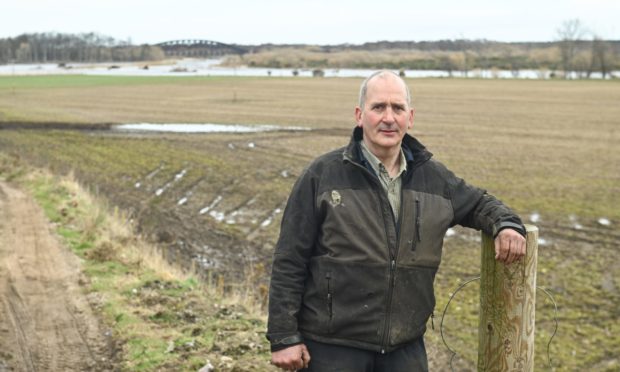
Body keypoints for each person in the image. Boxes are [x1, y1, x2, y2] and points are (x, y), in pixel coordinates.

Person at [267, 70, 526, 371]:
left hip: (404, 349)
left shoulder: (434, 178)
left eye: (397, 108)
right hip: (332, 347)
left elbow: (481, 203)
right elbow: (289, 258)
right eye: (378, 107)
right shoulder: (323, 175)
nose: (388, 117)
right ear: (359, 115)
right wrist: (284, 337)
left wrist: (507, 225)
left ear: (410, 117)